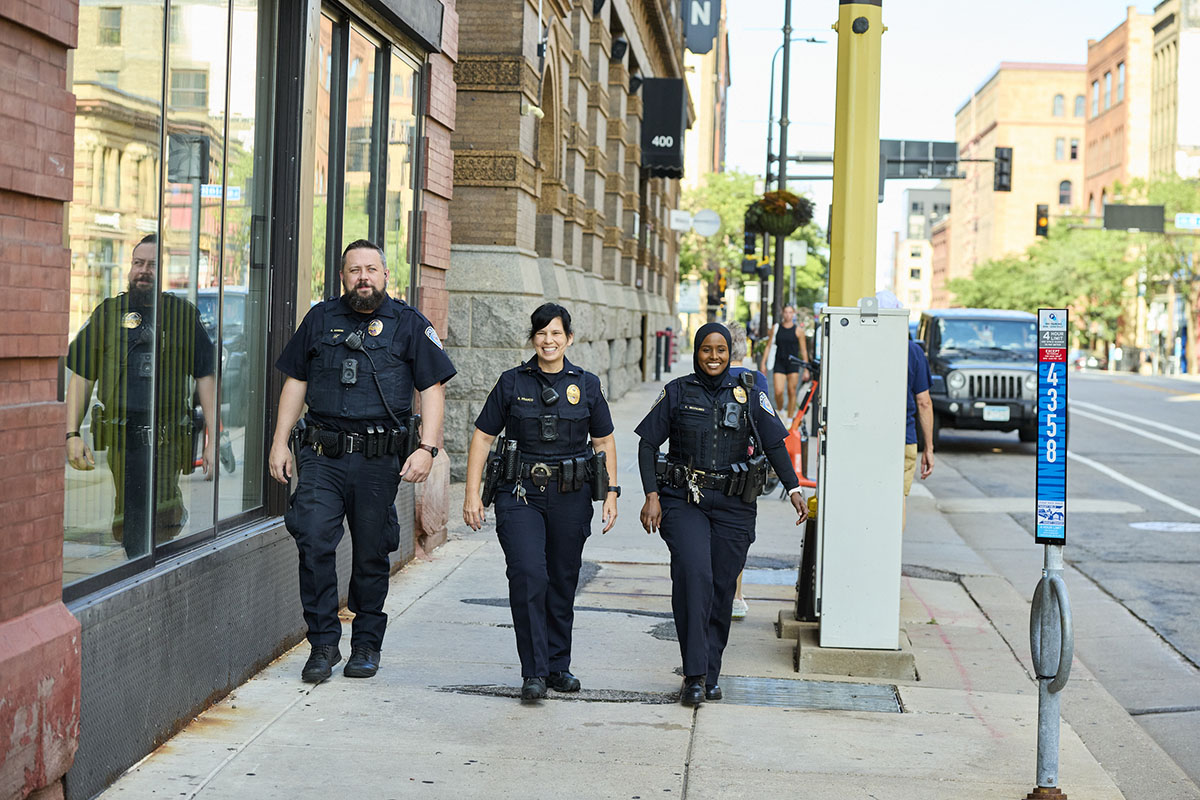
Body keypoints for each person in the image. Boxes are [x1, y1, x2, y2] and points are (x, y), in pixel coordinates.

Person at [269, 239, 456, 683]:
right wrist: (279, 443)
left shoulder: (408, 323)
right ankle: (323, 645)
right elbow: (296, 381)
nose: (363, 278)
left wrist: (428, 448)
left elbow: (432, 388)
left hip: (378, 461)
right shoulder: (320, 318)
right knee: (313, 540)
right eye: (355, 270)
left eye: (371, 269)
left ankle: (366, 643)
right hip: (321, 455)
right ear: (342, 277)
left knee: (372, 553)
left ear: (386, 275)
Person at [636, 323, 807, 706]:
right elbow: (648, 444)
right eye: (706, 350)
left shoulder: (749, 391)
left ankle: (710, 673)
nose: (713, 357)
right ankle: (694, 676)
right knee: (694, 577)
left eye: (720, 350)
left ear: (730, 352)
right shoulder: (677, 391)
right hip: (685, 500)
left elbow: (775, 443)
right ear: (696, 352)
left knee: (721, 588)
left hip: (734, 504)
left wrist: (793, 487)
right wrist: (652, 495)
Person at [463, 303, 619, 702]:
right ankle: (533, 672)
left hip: (571, 494)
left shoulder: (586, 385)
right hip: (519, 494)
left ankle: (557, 667)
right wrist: (471, 494)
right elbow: (483, 437)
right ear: (533, 339)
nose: (548, 341)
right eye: (540, 334)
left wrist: (611, 493)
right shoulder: (512, 382)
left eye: (556, 334)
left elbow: (603, 441)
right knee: (529, 574)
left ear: (569, 338)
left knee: (562, 578)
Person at [65, 233, 217, 558]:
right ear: (130, 268)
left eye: (151, 265)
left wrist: (213, 439)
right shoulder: (108, 314)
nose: (143, 271)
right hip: (122, 443)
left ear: (162, 272)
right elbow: (81, 374)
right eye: (138, 263)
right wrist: (71, 434)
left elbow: (206, 374)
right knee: (128, 519)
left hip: (166, 442)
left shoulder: (181, 315)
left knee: (161, 520)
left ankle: (156, 569)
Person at [723, 320, 767, 621]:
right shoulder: (757, 379)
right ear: (745, 347)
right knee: (737, 534)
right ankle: (736, 595)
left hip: (713, 466)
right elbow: (767, 424)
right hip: (746, 468)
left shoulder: (711, 374)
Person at [758, 305, 809, 419]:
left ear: (794, 314)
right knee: (778, 391)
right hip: (779, 362)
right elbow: (768, 346)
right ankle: (781, 410)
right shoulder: (776, 328)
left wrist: (806, 369)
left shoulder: (798, 331)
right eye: (786, 312)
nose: (788, 315)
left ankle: (790, 418)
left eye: (790, 312)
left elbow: (804, 350)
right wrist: (763, 363)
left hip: (793, 364)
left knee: (792, 391)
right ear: (782, 313)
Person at [905, 337, 935, 521]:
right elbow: (924, 402)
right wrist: (928, 448)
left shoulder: (859, 341)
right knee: (896, 500)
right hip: (903, 438)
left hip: (861, 437)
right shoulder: (913, 351)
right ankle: (891, 550)